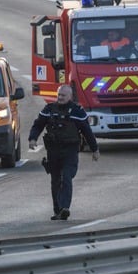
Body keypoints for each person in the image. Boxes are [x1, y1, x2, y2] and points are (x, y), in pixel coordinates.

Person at [27, 85, 100, 221]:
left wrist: (95, 149)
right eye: (59, 95)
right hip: (53, 151)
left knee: (66, 177)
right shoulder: (49, 109)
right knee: (55, 181)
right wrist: (32, 138)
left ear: (70, 97)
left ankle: (65, 207)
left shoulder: (77, 112)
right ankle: (58, 210)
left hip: (70, 150)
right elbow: (38, 125)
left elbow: (87, 131)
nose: (60, 97)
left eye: (63, 95)